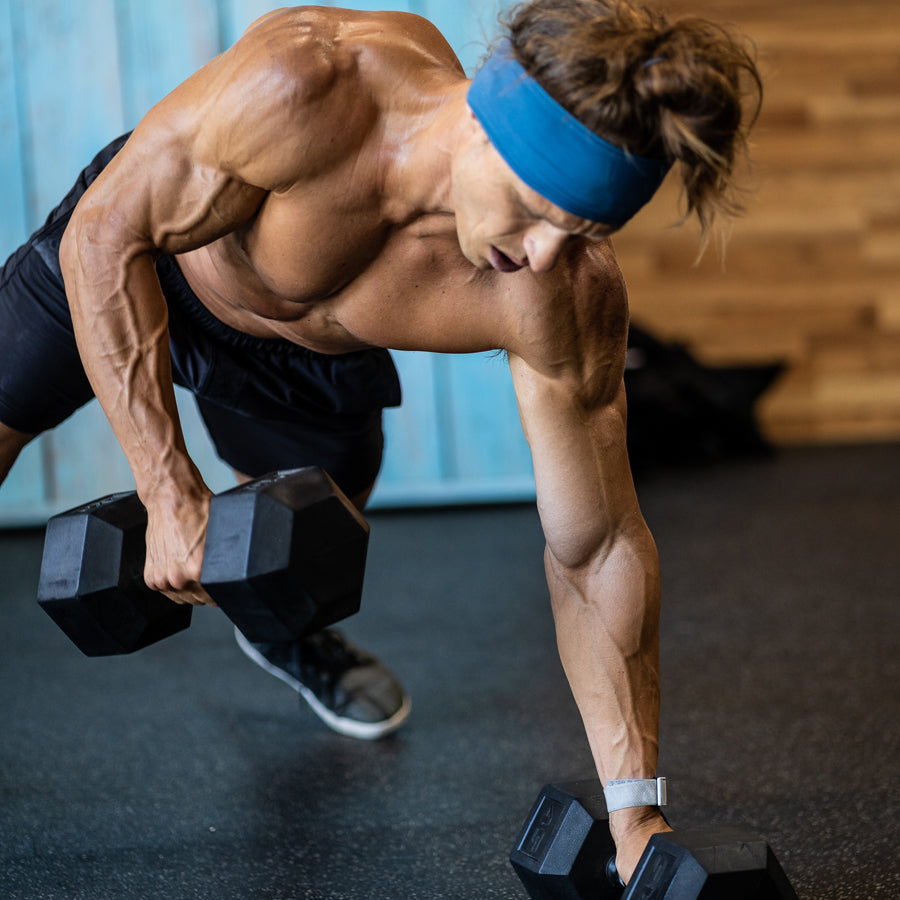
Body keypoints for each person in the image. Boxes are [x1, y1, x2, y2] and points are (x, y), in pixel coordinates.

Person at [0, 0, 761, 883]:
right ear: (484, 121)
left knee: (301, 553)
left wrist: (636, 814)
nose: (548, 254)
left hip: (310, 367)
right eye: (534, 210)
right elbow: (106, 235)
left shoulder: (561, 291)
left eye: (584, 231)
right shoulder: (311, 85)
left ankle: (281, 637)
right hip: (143, 264)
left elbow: (596, 550)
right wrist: (167, 490)